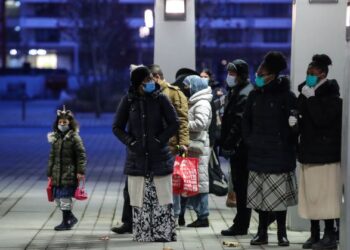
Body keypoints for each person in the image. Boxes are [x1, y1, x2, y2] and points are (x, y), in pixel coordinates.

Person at [111, 64, 189, 233]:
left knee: (162, 193)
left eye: (151, 79)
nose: (151, 82)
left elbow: (175, 122)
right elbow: (117, 127)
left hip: (159, 154)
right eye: (146, 80)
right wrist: (130, 141)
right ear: (138, 83)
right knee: (135, 194)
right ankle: (138, 227)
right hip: (137, 155)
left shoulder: (161, 98)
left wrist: (159, 140)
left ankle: (163, 229)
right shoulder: (128, 100)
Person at [242, 51, 298, 247]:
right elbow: (245, 121)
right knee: (259, 198)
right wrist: (249, 140)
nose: (257, 76)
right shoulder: (254, 95)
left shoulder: (288, 96)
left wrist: (289, 135)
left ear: (272, 75)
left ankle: (282, 233)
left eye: (261, 73)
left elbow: (294, 125)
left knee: (278, 198)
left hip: (279, 154)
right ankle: (261, 232)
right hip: (257, 152)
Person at [290, 54, 342, 249]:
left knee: (326, 196)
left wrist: (311, 100)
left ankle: (330, 234)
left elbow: (322, 120)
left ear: (323, 74)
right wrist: (294, 124)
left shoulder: (332, 96)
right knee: (311, 195)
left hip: (326, 155)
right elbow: (304, 120)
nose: (309, 76)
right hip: (309, 152)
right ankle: (314, 233)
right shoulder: (305, 93)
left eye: (312, 73)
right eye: (307, 72)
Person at [220, 59, 253, 236]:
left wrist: (228, 143)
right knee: (240, 186)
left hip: (242, 149)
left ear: (240, 75)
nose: (229, 76)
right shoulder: (237, 90)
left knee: (242, 187)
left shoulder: (244, 93)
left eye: (232, 73)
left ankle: (241, 224)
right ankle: (240, 222)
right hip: (238, 147)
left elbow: (238, 123)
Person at [47, 106, 87, 231]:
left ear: (70, 123)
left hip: (69, 172)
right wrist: (50, 171)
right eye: (60, 122)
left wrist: (80, 171)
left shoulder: (74, 138)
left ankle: (66, 221)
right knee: (57, 198)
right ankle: (70, 217)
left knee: (65, 197)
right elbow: (52, 156)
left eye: (64, 122)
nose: (62, 124)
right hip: (57, 173)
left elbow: (81, 155)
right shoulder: (56, 138)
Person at [181, 75, 213, 227]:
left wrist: (182, 124)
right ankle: (190, 214)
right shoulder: (195, 101)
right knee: (190, 181)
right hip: (193, 147)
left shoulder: (202, 103)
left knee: (200, 183)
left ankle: (203, 216)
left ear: (194, 87)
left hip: (198, 147)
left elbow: (200, 123)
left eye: (187, 86)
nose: (185, 89)